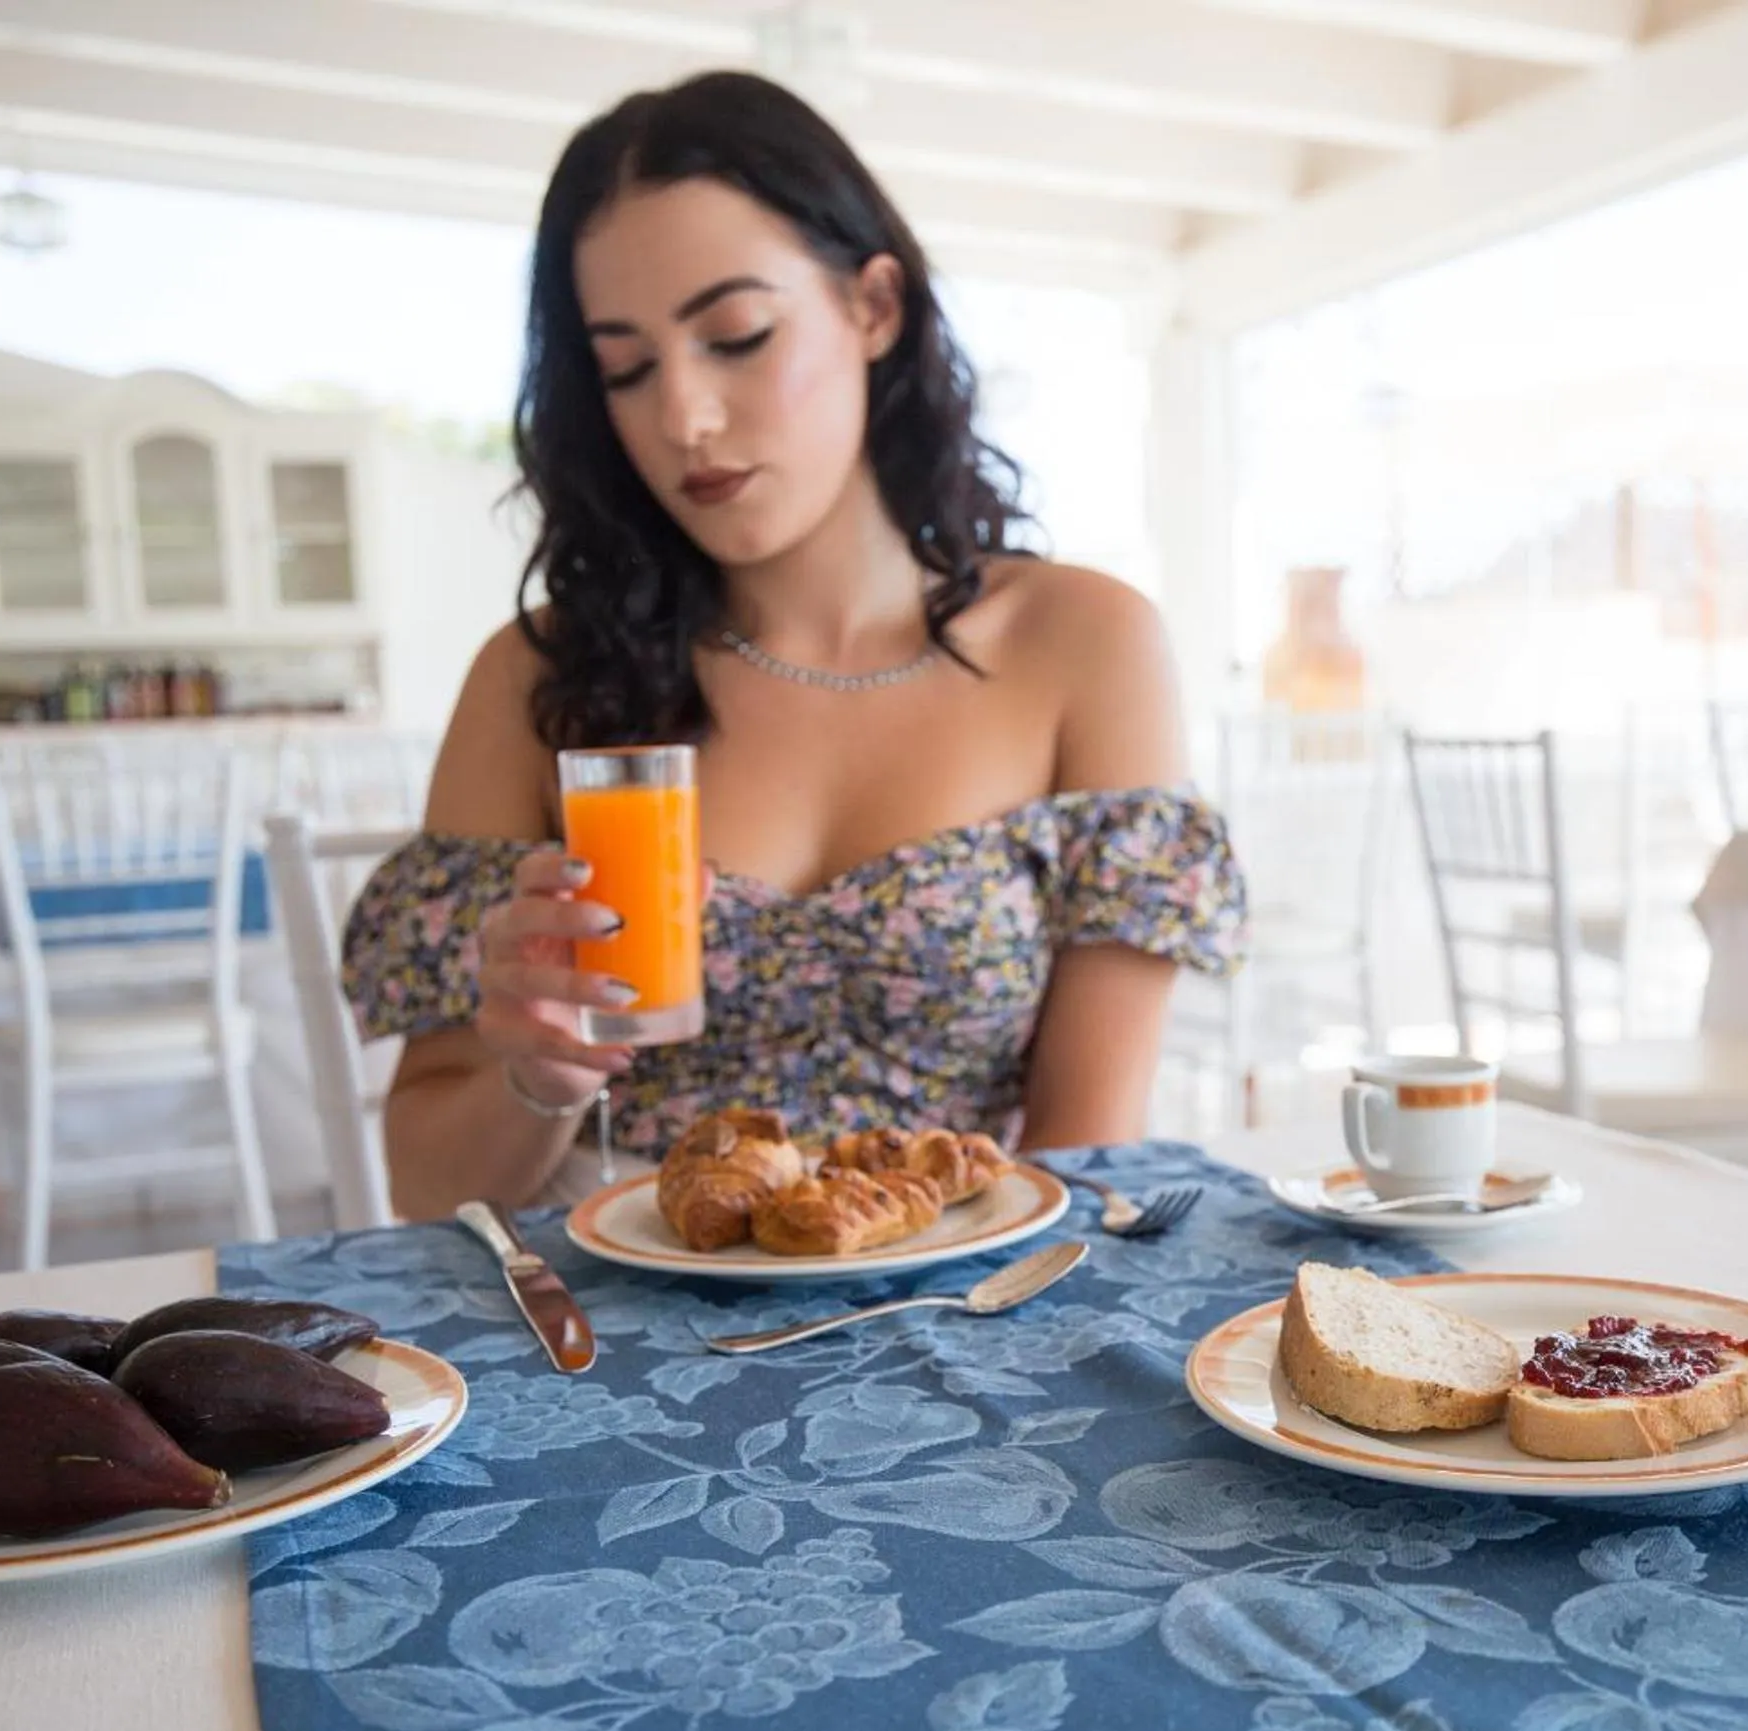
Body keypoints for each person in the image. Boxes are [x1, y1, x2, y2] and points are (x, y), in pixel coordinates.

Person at [344, 71, 1244, 1221]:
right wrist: (536, 1079)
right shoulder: (539, 679)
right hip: (609, 1306)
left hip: (966, 1285)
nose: (684, 418)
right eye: (626, 368)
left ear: (876, 306)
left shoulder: (1082, 645)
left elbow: (1089, 1159)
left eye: (737, 337)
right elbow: (426, 1189)